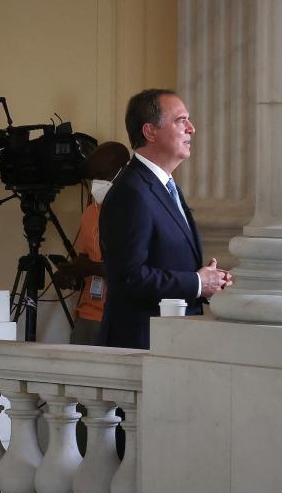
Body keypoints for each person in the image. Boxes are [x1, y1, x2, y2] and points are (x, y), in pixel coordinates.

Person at [97, 89, 232, 350]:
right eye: (181, 120)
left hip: (170, 340)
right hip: (140, 343)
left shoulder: (164, 185)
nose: (191, 128)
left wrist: (208, 281)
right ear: (150, 132)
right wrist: (197, 283)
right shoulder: (131, 191)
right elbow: (128, 276)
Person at [54, 142, 129, 345]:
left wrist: (87, 267)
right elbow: (85, 260)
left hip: (118, 320)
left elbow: (130, 271)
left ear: (123, 170)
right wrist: (71, 273)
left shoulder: (134, 214)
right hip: (86, 316)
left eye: (103, 175)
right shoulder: (90, 213)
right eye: (92, 177)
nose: (96, 183)